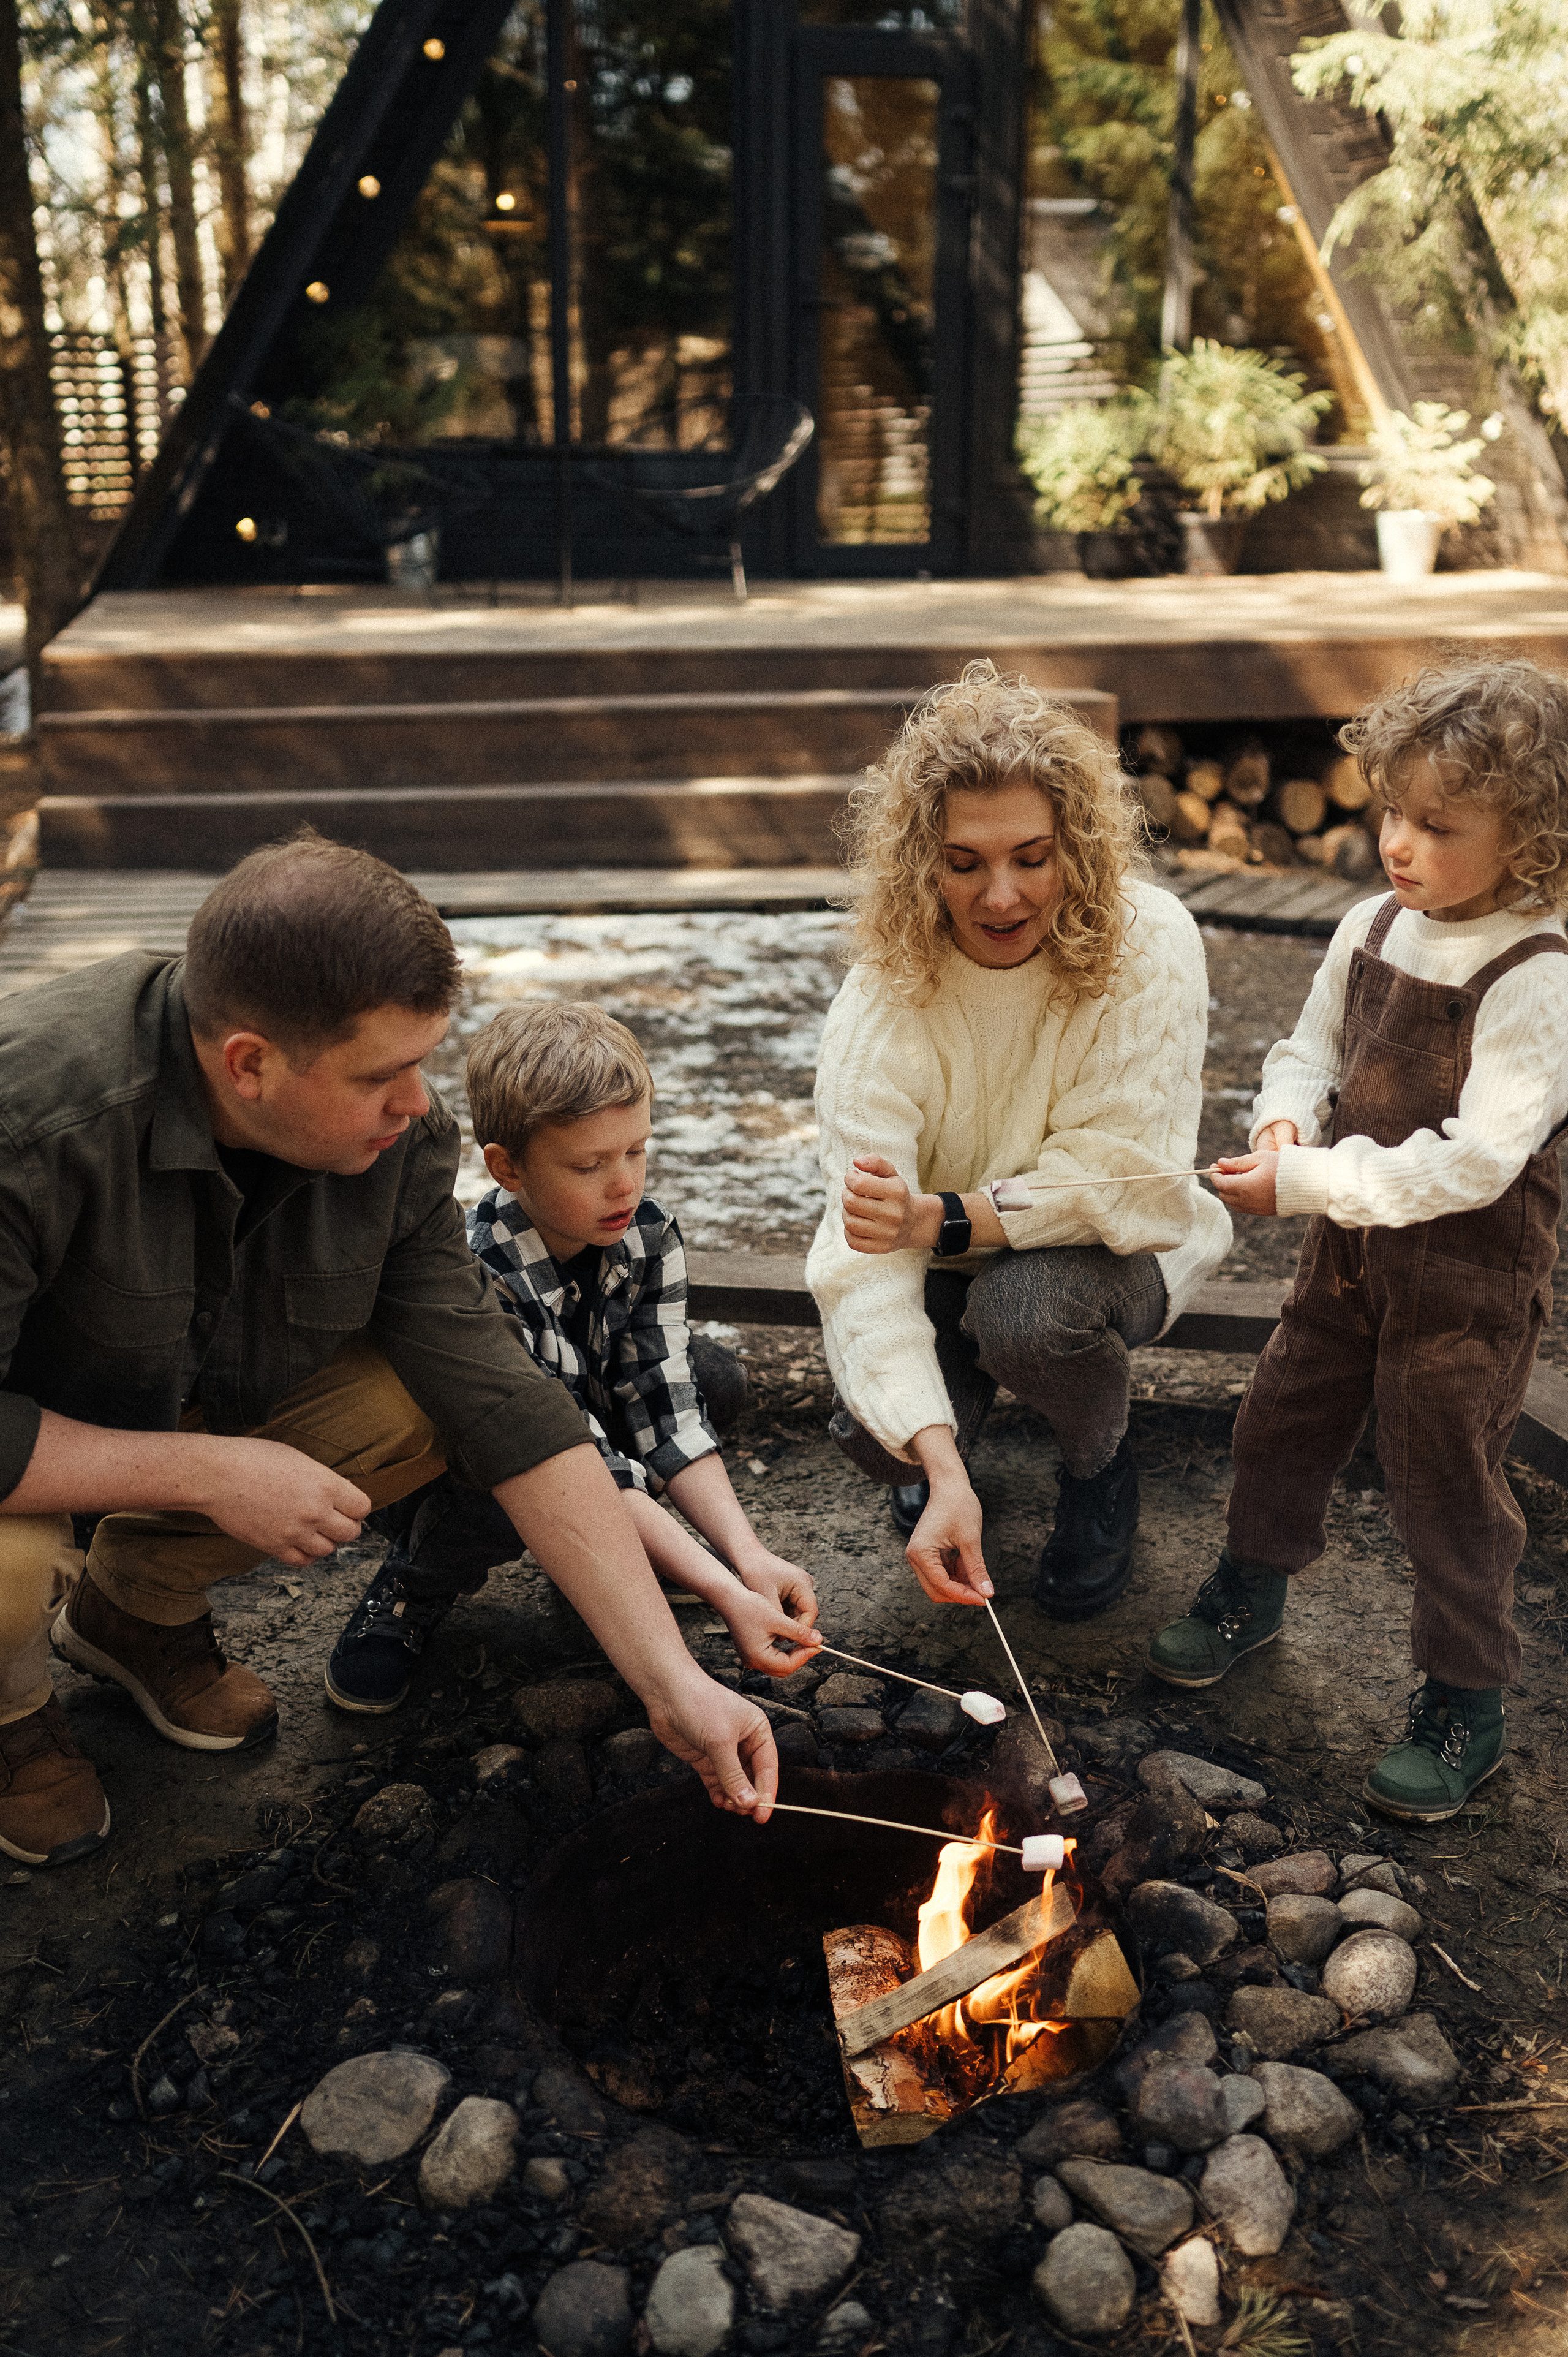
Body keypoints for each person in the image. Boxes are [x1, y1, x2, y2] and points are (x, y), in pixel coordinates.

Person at [0, 836, 777, 1870]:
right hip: (33, 1445)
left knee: (421, 1401)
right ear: (250, 1063)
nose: (417, 1102)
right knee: (8, 1561)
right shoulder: (33, 1124)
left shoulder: (394, 1140)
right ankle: (13, 1711)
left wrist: (672, 1682)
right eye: (384, 1073)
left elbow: (505, 1399)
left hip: (169, 1400)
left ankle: (131, 1607)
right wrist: (211, 1470)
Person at [1147, 659, 1568, 1823]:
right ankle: (1250, 1584)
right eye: (1392, 809)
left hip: (1468, 1281)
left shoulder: (1539, 977)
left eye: (1438, 825)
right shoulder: (1371, 922)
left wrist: (1313, 1178)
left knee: (1445, 1475)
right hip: (1343, 1253)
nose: (1398, 842)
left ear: (1529, 837)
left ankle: (1463, 1697)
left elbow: (1479, 1160)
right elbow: (1305, 1047)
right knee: (1282, 1412)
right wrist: (1283, 1115)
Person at [807, 662, 1231, 1619]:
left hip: (1116, 1248)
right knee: (880, 1432)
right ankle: (960, 1460)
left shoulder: (1150, 941)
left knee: (1026, 1313)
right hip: (942, 1250)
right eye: (965, 863)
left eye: (1032, 856)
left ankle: (1099, 1464)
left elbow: (1123, 1180)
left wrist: (943, 1217)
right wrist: (940, 1458)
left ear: (1076, 846)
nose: (1001, 896)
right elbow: (860, 1254)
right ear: (924, 863)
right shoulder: (883, 996)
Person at [325, 1001, 821, 1709]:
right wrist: (720, 1588)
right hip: (488, 1465)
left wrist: (747, 1558)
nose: (624, 1183)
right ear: (508, 1168)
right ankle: (414, 1585)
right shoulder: (481, 1270)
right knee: (492, 1488)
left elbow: (665, 1400)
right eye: (589, 1164)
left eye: (637, 1151)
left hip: (587, 1432)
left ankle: (612, 1555)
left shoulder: (647, 1234)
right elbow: (567, 1454)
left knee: (712, 1377)